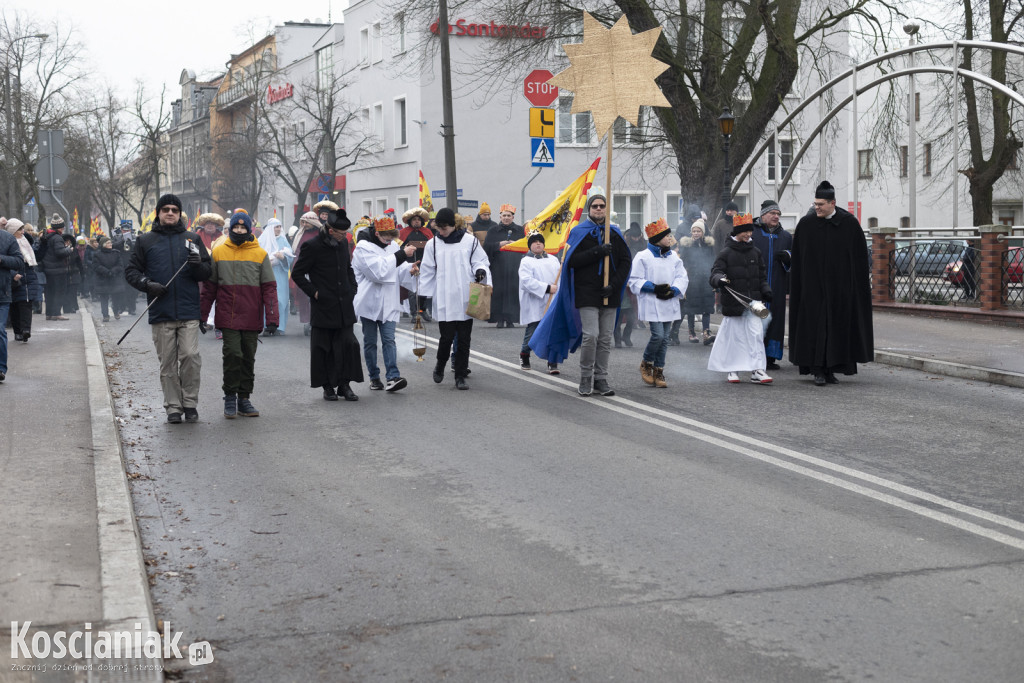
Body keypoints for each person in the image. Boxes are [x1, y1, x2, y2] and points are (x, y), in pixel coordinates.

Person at [528, 192, 632, 397]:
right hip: (587, 292)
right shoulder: (579, 232)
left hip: (609, 292)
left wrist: (614, 285)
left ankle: (600, 378)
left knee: (604, 338)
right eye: (595, 206)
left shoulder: (615, 233)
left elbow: (625, 262)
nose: (599, 209)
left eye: (602, 206)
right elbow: (571, 262)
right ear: (589, 209)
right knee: (591, 336)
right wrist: (598, 251)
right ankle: (585, 377)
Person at [124, 193, 213, 423]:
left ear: (180, 213)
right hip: (161, 311)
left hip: (188, 311)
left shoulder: (192, 239)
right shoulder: (146, 241)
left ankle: (190, 403)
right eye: (166, 209)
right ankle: (174, 407)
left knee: (191, 356)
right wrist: (148, 285)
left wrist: (197, 266)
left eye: (174, 209)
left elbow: (206, 272)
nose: (170, 213)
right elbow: (131, 272)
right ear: (159, 213)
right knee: (168, 363)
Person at [788, 180, 874, 386]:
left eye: (820, 204)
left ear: (832, 203)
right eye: (815, 204)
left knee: (836, 327)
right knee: (816, 328)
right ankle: (817, 369)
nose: (816, 207)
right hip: (813, 289)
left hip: (840, 289)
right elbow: (799, 260)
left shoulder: (849, 224)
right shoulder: (806, 225)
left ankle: (831, 368)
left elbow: (860, 260)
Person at [200, 211, 279, 418]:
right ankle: (230, 397)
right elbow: (209, 288)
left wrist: (272, 318)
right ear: (230, 229)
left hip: (252, 315)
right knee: (233, 355)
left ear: (249, 230)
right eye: (236, 228)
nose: (239, 231)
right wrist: (202, 315)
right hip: (228, 315)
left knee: (247, 358)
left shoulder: (260, 254)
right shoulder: (218, 252)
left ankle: (244, 398)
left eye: (243, 228)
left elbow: (269, 288)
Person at [291, 207, 364, 402]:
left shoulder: (342, 244)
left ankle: (345, 385)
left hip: (344, 306)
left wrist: (352, 287)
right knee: (324, 348)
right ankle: (327, 386)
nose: (345, 237)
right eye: (342, 233)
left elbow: (348, 268)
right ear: (331, 231)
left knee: (348, 345)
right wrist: (314, 292)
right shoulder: (312, 246)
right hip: (323, 306)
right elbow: (297, 273)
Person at [418, 207, 491, 390]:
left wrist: (480, 270)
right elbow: (427, 271)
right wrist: (423, 296)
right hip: (444, 298)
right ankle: (440, 364)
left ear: (453, 225)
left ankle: (460, 375)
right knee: (446, 337)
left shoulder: (470, 241)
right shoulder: (433, 244)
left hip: (465, 296)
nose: (441, 232)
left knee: (464, 339)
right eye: (438, 229)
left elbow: (479, 261)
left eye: (444, 228)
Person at [351, 216, 418, 392]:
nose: (389, 241)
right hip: (370, 302)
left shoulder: (393, 246)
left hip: (388, 300)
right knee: (371, 342)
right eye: (386, 236)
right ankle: (374, 377)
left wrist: (410, 269)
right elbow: (378, 272)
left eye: (391, 236)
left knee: (389, 340)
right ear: (377, 233)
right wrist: (402, 255)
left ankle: (393, 376)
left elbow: (398, 268)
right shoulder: (363, 248)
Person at [707, 213, 773, 384]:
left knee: (756, 335)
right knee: (735, 338)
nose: (748, 235)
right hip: (734, 303)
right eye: (745, 232)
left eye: (750, 232)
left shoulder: (756, 252)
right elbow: (715, 272)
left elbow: (761, 276)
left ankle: (757, 370)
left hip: (754, 304)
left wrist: (766, 290)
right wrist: (719, 280)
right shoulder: (726, 253)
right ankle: (732, 370)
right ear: (737, 232)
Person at [628, 218, 688, 388]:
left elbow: (682, 276)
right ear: (657, 238)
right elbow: (634, 280)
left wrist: (674, 290)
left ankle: (659, 369)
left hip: (669, 301)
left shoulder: (673, 257)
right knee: (658, 335)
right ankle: (646, 363)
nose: (670, 238)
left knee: (665, 338)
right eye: (667, 235)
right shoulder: (643, 256)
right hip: (652, 301)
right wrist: (654, 288)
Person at [750, 199, 793, 369]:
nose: (776, 217)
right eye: (772, 213)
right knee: (754, 320)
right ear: (763, 215)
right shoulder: (752, 232)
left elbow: (793, 261)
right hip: (755, 286)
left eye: (778, 214)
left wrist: (788, 256)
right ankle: (752, 356)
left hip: (777, 285)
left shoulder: (785, 236)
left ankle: (770, 357)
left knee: (774, 320)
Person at [517, 230, 560, 373]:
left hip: (552, 300)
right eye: (534, 242)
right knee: (533, 331)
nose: (537, 244)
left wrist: (557, 291)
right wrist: (547, 288)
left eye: (540, 241)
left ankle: (552, 361)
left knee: (552, 332)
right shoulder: (526, 261)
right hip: (535, 301)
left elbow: (559, 278)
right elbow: (526, 282)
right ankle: (525, 355)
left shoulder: (553, 260)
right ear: (530, 246)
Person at [483, 204, 525, 328]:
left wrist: (515, 244)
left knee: (512, 292)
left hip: (514, 266)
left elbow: (525, 247)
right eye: (504, 215)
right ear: (500, 217)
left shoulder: (519, 230)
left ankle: (511, 319)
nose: (506, 218)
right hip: (498, 266)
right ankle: (499, 319)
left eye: (509, 216)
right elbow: (486, 248)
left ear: (513, 217)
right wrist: (499, 244)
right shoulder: (493, 230)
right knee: (499, 293)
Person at [677, 218, 717, 345]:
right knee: (691, 308)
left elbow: (712, 260)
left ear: (703, 232)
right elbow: (683, 260)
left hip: (706, 278)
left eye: (698, 231)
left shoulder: (709, 245)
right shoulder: (686, 245)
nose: (695, 233)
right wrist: (693, 244)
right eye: (693, 231)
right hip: (692, 280)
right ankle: (691, 332)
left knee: (707, 306)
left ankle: (706, 332)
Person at [0, 220, 26, 382]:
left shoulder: (7, 238)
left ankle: (1, 368)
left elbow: (18, 261)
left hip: (1, 294)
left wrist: (1, 259)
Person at [399, 206, 435, 321]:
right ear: (410, 221)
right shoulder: (404, 232)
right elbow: (398, 247)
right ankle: (414, 313)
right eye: (414, 220)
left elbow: (434, 247)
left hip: (425, 264)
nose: (416, 221)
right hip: (410, 265)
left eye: (418, 220)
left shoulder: (427, 232)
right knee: (412, 290)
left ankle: (422, 310)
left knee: (424, 288)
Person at [290, 211, 322, 336]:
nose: (304, 224)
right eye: (302, 222)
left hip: (317, 268)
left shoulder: (320, 233)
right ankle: (307, 320)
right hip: (303, 267)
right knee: (304, 295)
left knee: (317, 295)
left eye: (306, 222)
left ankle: (317, 319)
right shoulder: (300, 233)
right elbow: (296, 250)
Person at [5, 219, 36, 342]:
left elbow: (37, 254)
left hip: (28, 276)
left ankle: (26, 330)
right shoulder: (7, 243)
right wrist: (13, 274)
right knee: (15, 306)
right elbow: (5, 262)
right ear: (13, 231)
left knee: (26, 304)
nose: (22, 232)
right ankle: (17, 331)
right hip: (14, 277)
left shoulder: (25, 241)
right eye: (20, 229)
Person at [40, 214, 73, 320]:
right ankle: (57, 313)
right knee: (59, 291)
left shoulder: (47, 236)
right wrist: (69, 250)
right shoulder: (57, 238)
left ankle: (49, 314)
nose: (63, 229)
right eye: (63, 227)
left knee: (49, 292)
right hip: (58, 270)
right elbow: (59, 253)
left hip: (48, 269)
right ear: (60, 227)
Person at [92, 235, 124, 322]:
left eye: (110, 243)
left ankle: (116, 311)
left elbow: (120, 265)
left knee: (116, 297)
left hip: (114, 279)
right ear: (103, 244)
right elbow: (96, 266)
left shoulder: (116, 253)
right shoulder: (97, 254)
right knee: (104, 298)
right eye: (108, 243)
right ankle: (105, 315)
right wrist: (106, 272)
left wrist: (113, 271)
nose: (111, 244)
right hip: (103, 279)